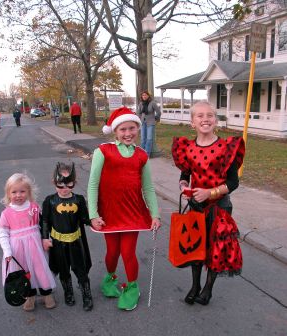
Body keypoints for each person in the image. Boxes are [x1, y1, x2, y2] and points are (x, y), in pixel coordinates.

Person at [172, 101, 245, 306]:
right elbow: (185, 174)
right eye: (200, 116)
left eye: (210, 115)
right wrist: (184, 188)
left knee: (215, 249)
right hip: (196, 207)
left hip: (219, 208)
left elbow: (233, 182)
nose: (205, 119)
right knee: (195, 248)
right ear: (192, 122)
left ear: (216, 120)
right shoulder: (187, 148)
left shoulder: (225, 148)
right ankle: (195, 286)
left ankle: (208, 289)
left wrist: (210, 192)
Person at [87, 106, 161, 311]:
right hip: (109, 213)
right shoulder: (103, 151)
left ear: (138, 128)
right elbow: (93, 184)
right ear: (115, 131)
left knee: (128, 252)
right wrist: (93, 214)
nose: (128, 133)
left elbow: (148, 187)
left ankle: (131, 288)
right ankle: (110, 280)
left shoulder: (142, 155)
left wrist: (155, 214)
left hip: (133, 213)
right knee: (112, 252)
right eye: (123, 129)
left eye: (132, 128)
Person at [0, 173, 56, 311]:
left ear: (29, 192)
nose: (18, 195)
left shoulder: (34, 207)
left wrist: (46, 238)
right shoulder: (6, 213)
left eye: (22, 191)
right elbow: (3, 234)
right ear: (8, 193)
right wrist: (7, 251)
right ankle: (29, 295)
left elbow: (43, 225)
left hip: (35, 246)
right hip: (17, 250)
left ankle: (46, 293)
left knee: (40, 269)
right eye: (14, 192)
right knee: (24, 273)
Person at [41, 162, 93, 311]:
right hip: (58, 244)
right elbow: (45, 221)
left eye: (69, 185)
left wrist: (94, 222)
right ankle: (68, 292)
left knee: (81, 270)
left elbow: (84, 218)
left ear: (74, 183)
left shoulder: (78, 200)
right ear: (54, 183)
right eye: (60, 185)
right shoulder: (49, 201)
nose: (64, 189)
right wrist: (45, 237)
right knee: (63, 271)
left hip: (76, 242)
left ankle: (86, 295)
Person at [136, 91, 161, 157]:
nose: (144, 96)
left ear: (148, 96)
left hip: (150, 122)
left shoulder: (152, 103)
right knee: (142, 138)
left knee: (149, 138)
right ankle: (141, 153)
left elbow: (158, 112)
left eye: (145, 95)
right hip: (143, 122)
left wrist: (156, 118)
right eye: (143, 95)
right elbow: (138, 113)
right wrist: (139, 119)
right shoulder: (141, 103)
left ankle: (147, 154)